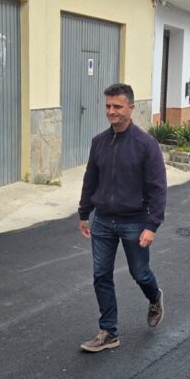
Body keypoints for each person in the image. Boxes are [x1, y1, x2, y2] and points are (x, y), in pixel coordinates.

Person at [77, 83, 167, 353]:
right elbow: (90, 179)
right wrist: (84, 213)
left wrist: (152, 225)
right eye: (108, 106)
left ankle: (154, 297)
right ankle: (109, 332)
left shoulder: (146, 145)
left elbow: (158, 188)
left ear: (131, 107)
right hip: (103, 220)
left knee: (140, 273)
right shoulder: (99, 142)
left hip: (134, 221)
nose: (111, 111)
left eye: (117, 106)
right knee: (101, 275)